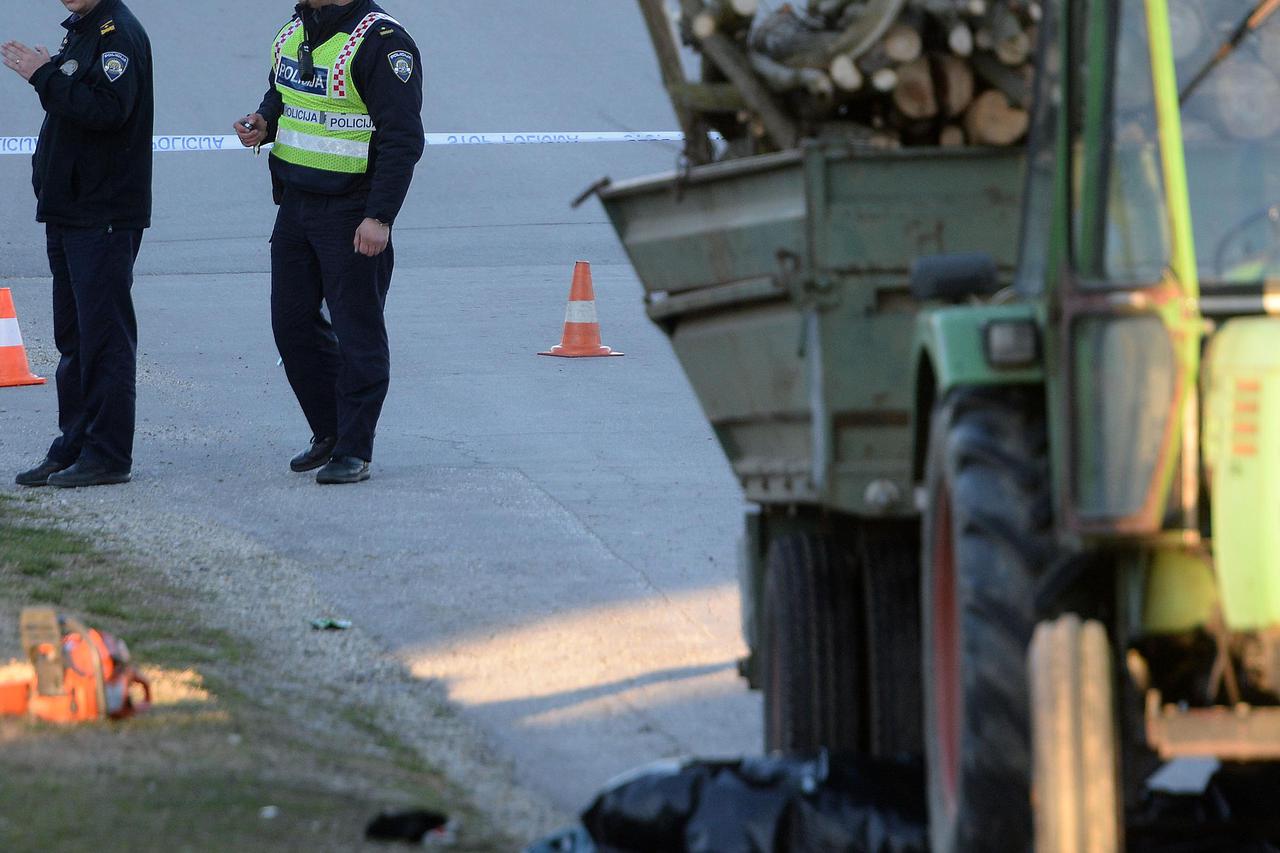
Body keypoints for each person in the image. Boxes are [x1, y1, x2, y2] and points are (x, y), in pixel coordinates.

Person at [235, 0, 424, 485]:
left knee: (358, 332)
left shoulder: (381, 42)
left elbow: (402, 138)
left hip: (352, 211)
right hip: (296, 204)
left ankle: (354, 449)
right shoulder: (297, 27)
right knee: (292, 326)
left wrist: (379, 216)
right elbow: (284, 91)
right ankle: (330, 429)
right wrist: (265, 119)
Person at [2, 0, 153, 489]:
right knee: (74, 339)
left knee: (103, 339)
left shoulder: (118, 35)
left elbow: (108, 111)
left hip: (102, 213)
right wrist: (52, 73)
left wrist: (43, 75)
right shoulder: (84, 29)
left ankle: (107, 454)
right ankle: (74, 443)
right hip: (70, 210)